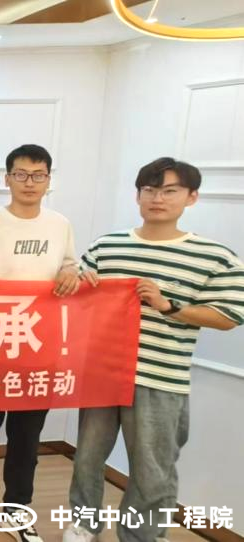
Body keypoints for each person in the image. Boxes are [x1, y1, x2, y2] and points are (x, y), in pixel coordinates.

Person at [64, 157, 242, 542]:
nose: (158, 198)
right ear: (137, 196)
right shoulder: (107, 246)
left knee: (153, 468)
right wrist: (77, 283)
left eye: (170, 191)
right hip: (102, 374)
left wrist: (169, 306)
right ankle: (83, 525)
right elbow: (73, 298)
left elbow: (230, 315)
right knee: (87, 459)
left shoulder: (214, 256)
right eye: (149, 190)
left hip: (160, 378)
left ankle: (143, 535)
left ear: (191, 197)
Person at [0, 145, 91, 542]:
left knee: (26, 442)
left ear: (49, 180)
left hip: (39, 351)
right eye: (21, 174)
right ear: (7, 178)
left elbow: (69, 266)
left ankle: (17, 511)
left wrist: (70, 272)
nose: (29, 182)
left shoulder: (60, 224)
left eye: (38, 175)